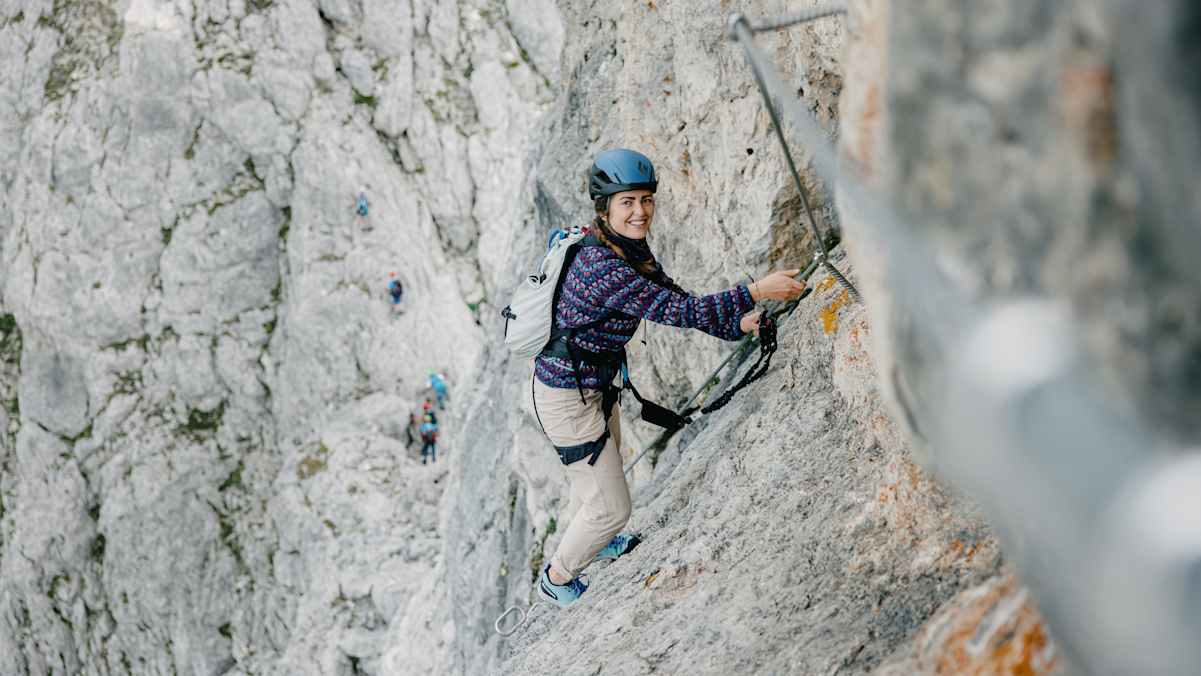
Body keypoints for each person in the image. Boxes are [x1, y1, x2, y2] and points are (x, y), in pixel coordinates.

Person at [531, 148, 807, 608]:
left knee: (603, 473)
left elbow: (676, 300)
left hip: (591, 386)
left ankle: (599, 541)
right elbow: (678, 311)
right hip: (568, 396)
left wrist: (736, 323)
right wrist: (756, 290)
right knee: (612, 507)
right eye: (627, 202)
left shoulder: (625, 247)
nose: (640, 212)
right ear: (605, 208)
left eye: (646, 200)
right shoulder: (602, 266)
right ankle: (557, 578)